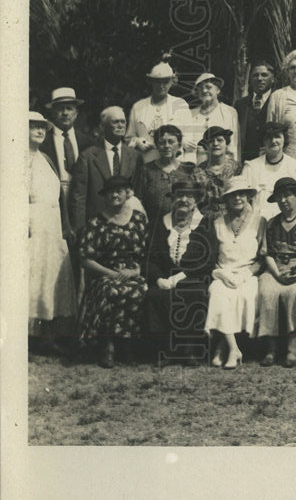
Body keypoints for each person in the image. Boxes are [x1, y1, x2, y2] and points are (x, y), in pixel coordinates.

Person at [188, 175, 264, 370]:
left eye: (241, 194)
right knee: (218, 294)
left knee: (245, 295)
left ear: (248, 196)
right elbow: (210, 257)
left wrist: (246, 275)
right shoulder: (217, 223)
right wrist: (218, 274)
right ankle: (234, 348)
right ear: (226, 199)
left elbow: (263, 258)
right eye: (232, 195)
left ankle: (222, 347)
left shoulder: (260, 221)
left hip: (248, 273)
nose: (237, 198)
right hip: (222, 273)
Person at [77, 175, 149, 368]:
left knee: (140, 289)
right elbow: (85, 259)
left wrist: (135, 272)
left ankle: (127, 345)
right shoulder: (96, 222)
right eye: (110, 192)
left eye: (119, 191)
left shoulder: (139, 219)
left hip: (132, 273)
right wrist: (110, 273)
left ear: (127, 193)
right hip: (104, 274)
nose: (115, 195)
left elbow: (148, 254)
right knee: (112, 289)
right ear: (105, 196)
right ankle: (107, 345)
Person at [255, 176, 296, 367]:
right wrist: (277, 275)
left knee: (293, 293)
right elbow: (267, 254)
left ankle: (293, 347)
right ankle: (271, 348)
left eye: (288, 196)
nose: (284, 200)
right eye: (279, 197)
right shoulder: (271, 223)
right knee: (267, 291)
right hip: (275, 269)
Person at [142, 178, 207, 365]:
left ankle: (188, 349)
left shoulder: (203, 224)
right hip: (164, 275)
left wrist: (180, 276)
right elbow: (149, 258)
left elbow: (207, 259)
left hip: (193, 275)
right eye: (179, 196)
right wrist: (158, 278)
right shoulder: (159, 223)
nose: (184, 200)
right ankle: (166, 349)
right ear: (173, 199)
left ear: (196, 200)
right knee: (155, 294)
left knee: (192, 292)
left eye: (189, 196)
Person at [28, 112, 76, 349]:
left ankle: (48, 334)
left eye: (42, 127)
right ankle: (28, 336)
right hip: (31, 223)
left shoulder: (46, 158)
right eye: (32, 127)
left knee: (51, 275)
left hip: (52, 222)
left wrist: (65, 224)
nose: (39, 131)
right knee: (32, 276)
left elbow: (59, 196)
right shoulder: (17, 159)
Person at [69, 106, 145, 235]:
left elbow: (138, 193)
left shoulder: (134, 156)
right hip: (96, 228)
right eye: (115, 122)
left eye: (123, 121)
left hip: (127, 229)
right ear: (102, 127)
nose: (121, 125)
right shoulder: (87, 157)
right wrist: (80, 230)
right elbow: (78, 198)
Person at [125, 61, 195, 164]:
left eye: (166, 81)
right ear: (151, 81)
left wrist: (181, 141)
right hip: (146, 164)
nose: (162, 86)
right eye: (158, 81)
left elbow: (189, 140)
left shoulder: (180, 105)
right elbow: (129, 138)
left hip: (174, 165)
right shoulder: (138, 107)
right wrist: (137, 142)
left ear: (172, 82)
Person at [243, 122, 296, 221]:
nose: (273, 141)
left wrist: (286, 220)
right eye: (268, 138)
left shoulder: (295, 167)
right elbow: (244, 200)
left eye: (277, 136)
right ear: (263, 141)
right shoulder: (251, 167)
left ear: (284, 139)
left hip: (287, 222)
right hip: (256, 222)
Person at [41, 86, 95, 203]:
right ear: (52, 112)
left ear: (76, 112)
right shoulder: (43, 142)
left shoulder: (88, 142)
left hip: (81, 201)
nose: (65, 113)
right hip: (53, 200)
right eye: (60, 109)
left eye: (69, 108)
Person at [138, 124, 195, 222]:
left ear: (179, 144)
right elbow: (138, 200)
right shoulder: (146, 170)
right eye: (162, 142)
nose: (166, 146)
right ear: (156, 145)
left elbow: (199, 198)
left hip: (184, 225)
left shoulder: (189, 169)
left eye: (171, 142)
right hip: (155, 227)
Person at [189, 72, 241, 163]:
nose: (204, 91)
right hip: (197, 168)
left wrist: (232, 169)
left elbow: (234, 146)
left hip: (222, 168)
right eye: (200, 88)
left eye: (208, 87)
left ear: (217, 90)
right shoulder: (191, 114)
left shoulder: (229, 112)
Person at [192, 126, 240, 219]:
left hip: (232, 219)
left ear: (226, 144)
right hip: (206, 222)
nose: (215, 143)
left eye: (220, 140)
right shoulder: (198, 172)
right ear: (205, 146)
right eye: (211, 141)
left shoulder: (237, 169)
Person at [233, 60, 277, 163]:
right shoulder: (240, 104)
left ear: (273, 79)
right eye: (255, 75)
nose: (259, 79)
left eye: (264, 75)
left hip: (270, 159)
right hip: (246, 160)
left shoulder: (278, 101)